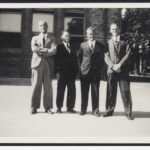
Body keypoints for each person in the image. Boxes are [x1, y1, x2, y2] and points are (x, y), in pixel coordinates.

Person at [104, 23, 134, 120]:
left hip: (123, 70)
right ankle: (109, 110)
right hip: (111, 70)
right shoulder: (108, 42)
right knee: (110, 91)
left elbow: (128, 54)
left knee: (125, 91)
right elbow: (106, 56)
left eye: (116, 29)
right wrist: (113, 66)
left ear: (119, 29)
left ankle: (128, 112)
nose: (114, 30)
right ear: (110, 30)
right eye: (112, 29)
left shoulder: (125, 42)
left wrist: (120, 65)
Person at [30, 20, 57, 114]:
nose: (43, 27)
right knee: (36, 86)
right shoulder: (34, 38)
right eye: (41, 25)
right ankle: (34, 107)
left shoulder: (52, 39)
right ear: (38, 27)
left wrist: (42, 51)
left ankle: (48, 107)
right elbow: (34, 49)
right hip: (37, 64)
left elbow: (54, 50)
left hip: (48, 65)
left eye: (44, 25)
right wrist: (47, 50)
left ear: (47, 27)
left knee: (48, 87)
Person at [79, 27, 106, 117]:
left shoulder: (100, 45)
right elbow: (80, 58)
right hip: (85, 72)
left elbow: (102, 60)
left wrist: (99, 69)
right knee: (84, 91)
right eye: (89, 34)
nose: (91, 35)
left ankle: (95, 110)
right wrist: (81, 69)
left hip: (95, 72)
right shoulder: (83, 45)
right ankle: (83, 109)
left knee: (95, 91)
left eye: (93, 33)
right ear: (86, 35)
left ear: (95, 34)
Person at [55, 30, 78, 113]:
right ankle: (59, 107)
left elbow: (75, 59)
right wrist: (57, 72)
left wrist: (76, 71)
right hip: (62, 73)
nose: (67, 37)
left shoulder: (73, 47)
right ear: (62, 37)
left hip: (71, 73)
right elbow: (56, 60)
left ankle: (70, 107)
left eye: (68, 36)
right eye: (66, 36)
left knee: (71, 90)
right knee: (61, 90)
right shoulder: (59, 47)